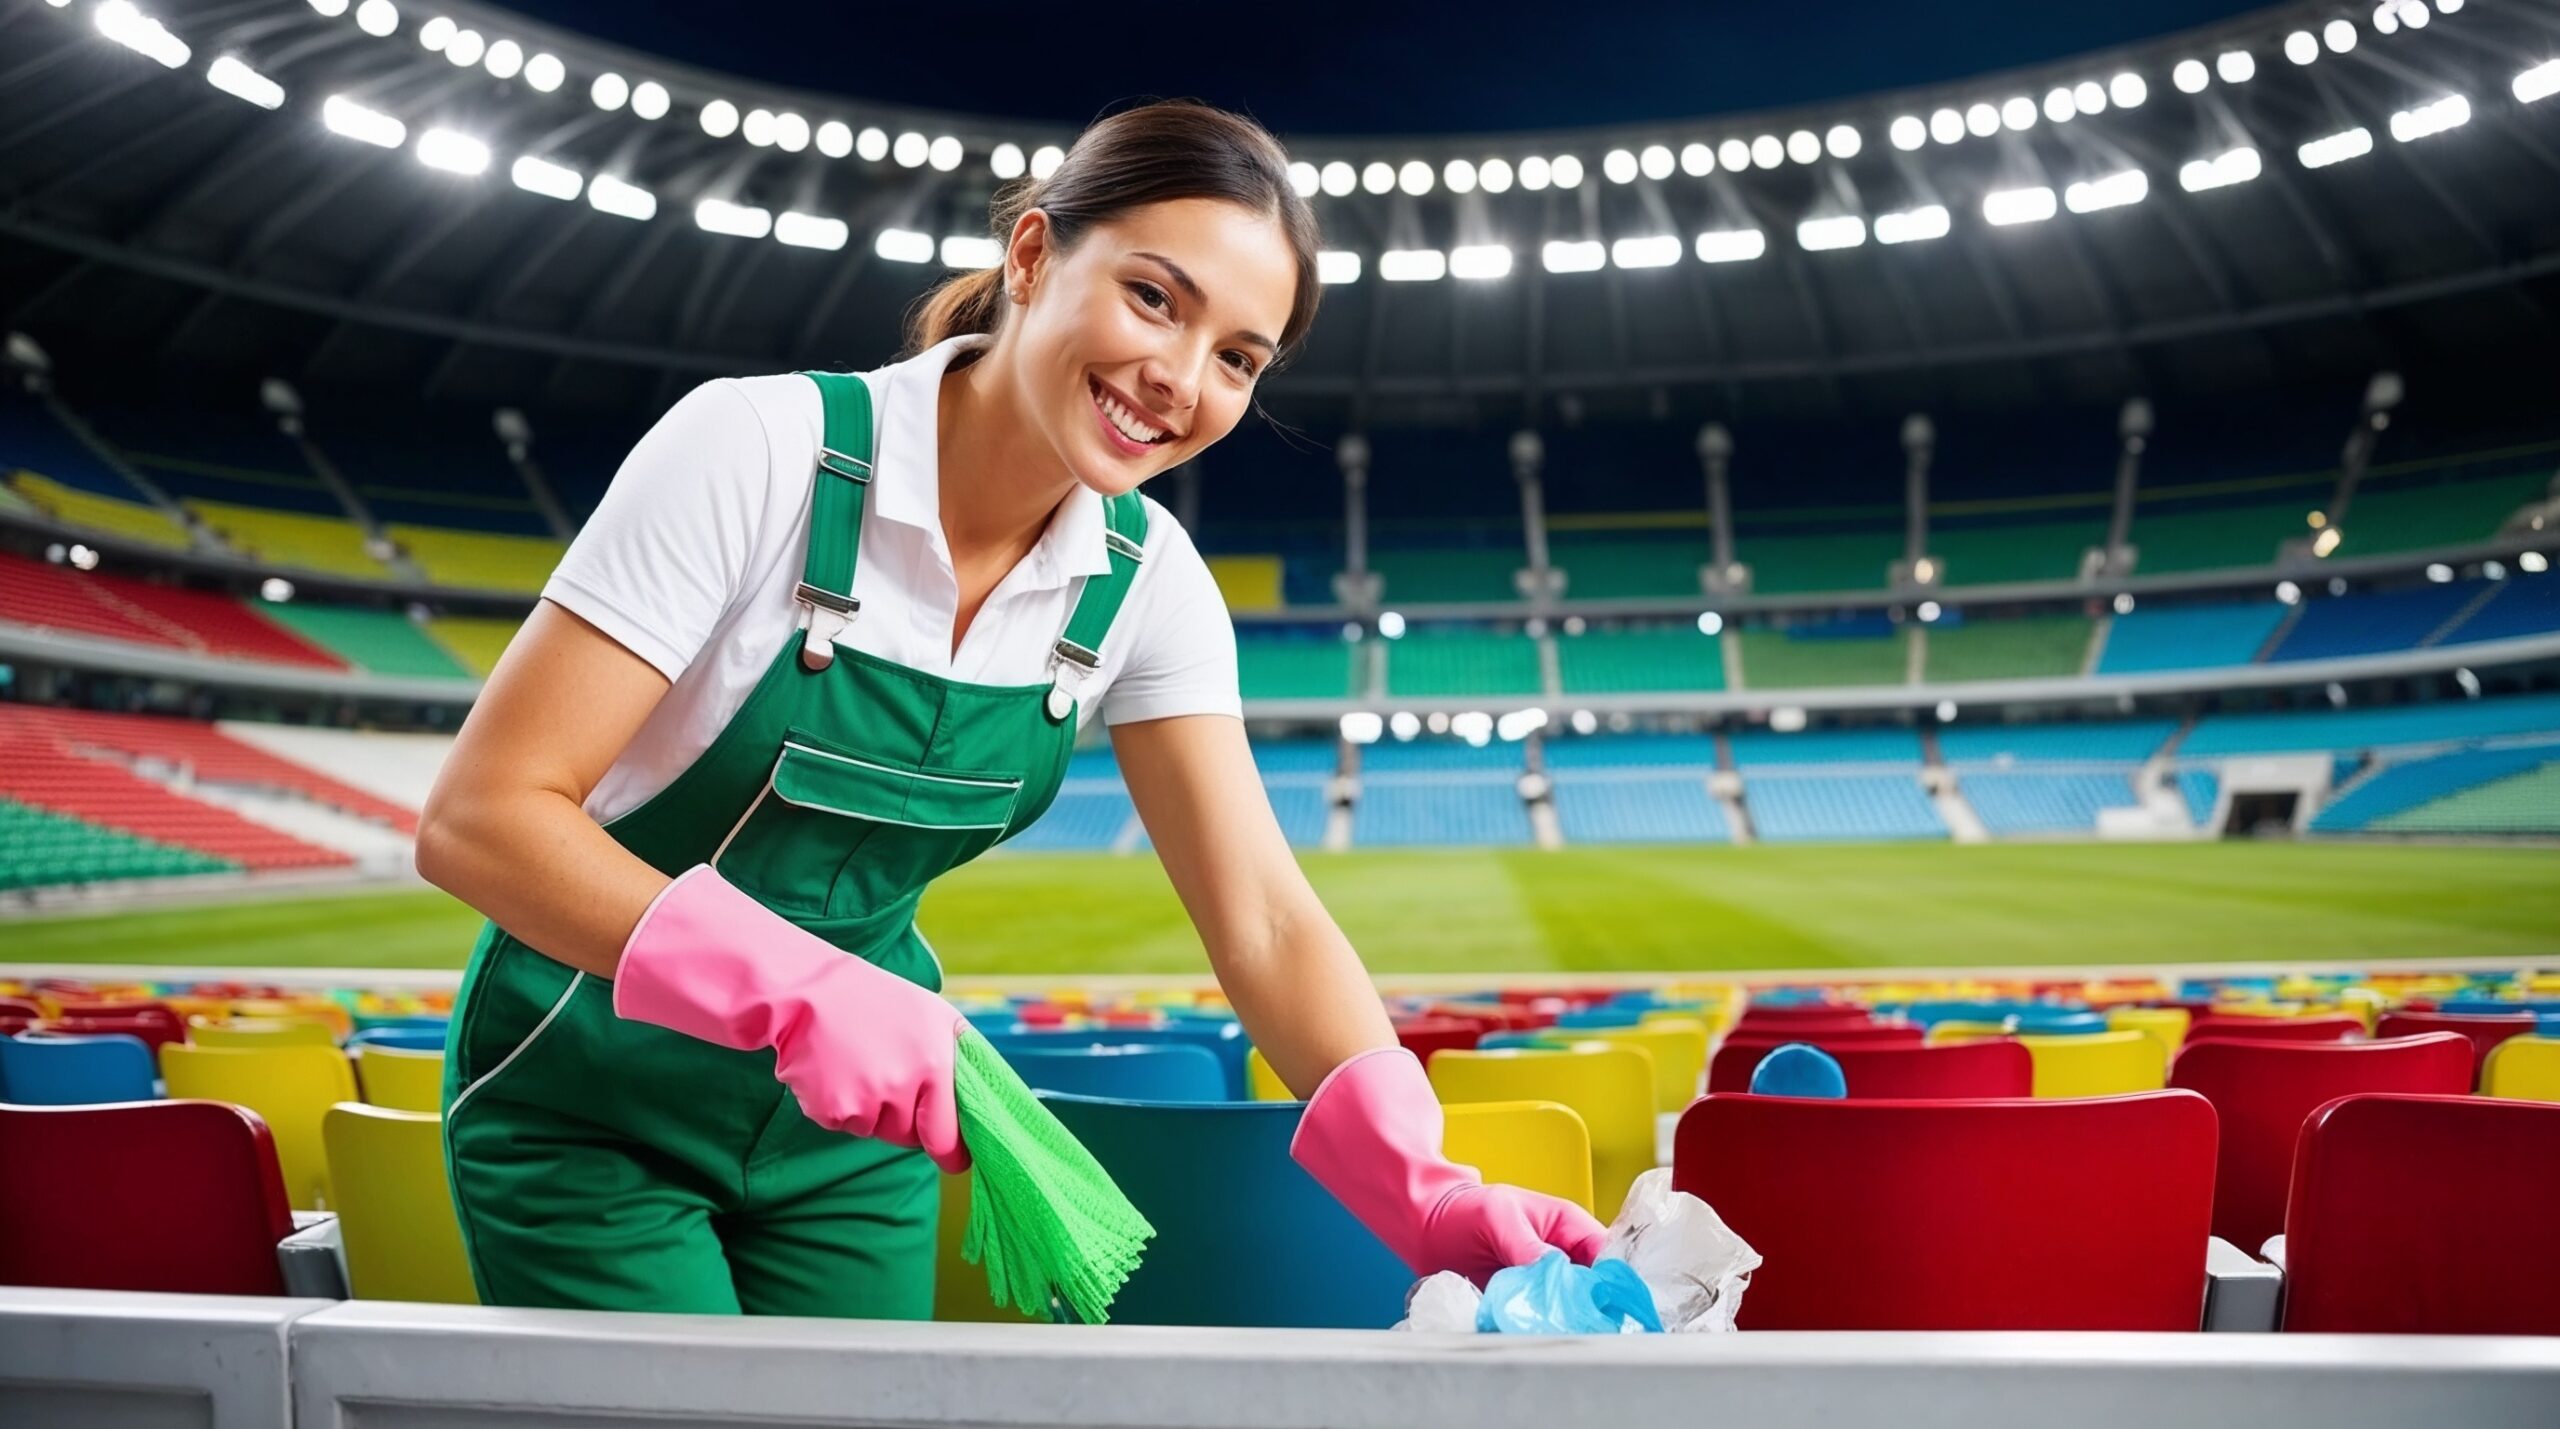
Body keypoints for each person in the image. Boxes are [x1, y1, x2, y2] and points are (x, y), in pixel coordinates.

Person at [416, 99, 1603, 1319]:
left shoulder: (1150, 583)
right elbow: (482, 817)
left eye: (1239, 357)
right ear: (1031, 257)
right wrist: (802, 991)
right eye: (1155, 298)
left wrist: (1425, 1186)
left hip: (848, 1142)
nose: (1180, 381)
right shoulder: (757, 449)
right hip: (588, 1109)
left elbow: (1262, 921)